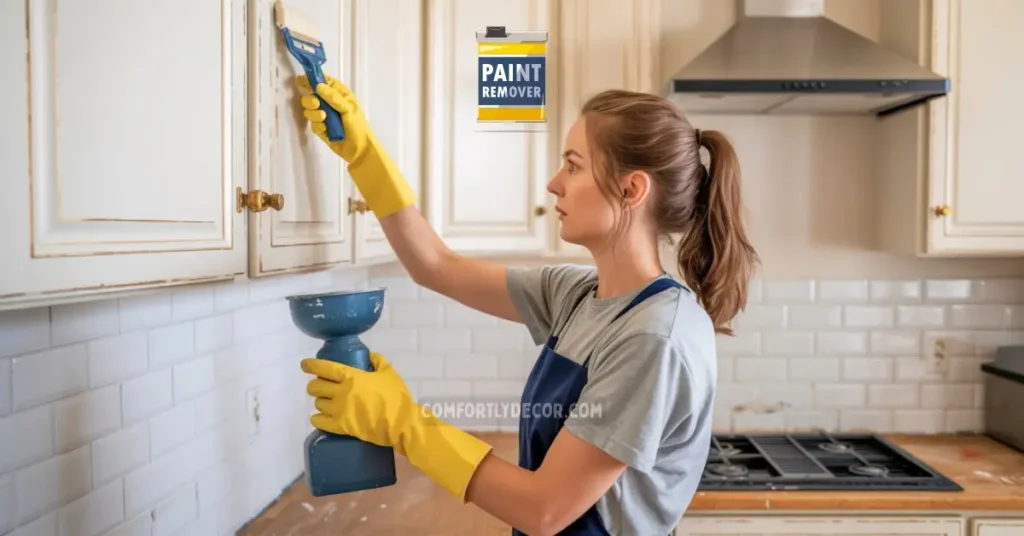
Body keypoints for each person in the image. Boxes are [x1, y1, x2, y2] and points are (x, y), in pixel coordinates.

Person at [293, 73, 759, 536]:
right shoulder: (578, 295)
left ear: (631, 189)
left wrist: (404, 425)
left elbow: (545, 509)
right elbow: (435, 265)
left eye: (573, 166)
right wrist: (364, 155)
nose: (555, 184)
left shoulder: (652, 338)